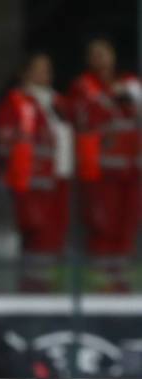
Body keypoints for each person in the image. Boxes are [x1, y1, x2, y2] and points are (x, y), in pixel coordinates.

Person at [0, 53, 73, 291]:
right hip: (31, 183)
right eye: (38, 68)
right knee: (37, 239)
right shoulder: (16, 101)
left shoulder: (59, 101)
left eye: (47, 69)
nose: (44, 74)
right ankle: (34, 291)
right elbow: (4, 142)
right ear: (25, 73)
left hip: (60, 179)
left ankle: (50, 289)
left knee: (56, 239)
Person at [68, 39, 142, 291]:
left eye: (105, 52)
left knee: (127, 228)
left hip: (131, 171)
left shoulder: (130, 82)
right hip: (101, 172)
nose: (101, 58)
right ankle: (102, 287)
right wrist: (115, 97)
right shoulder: (84, 86)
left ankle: (121, 284)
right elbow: (86, 115)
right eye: (95, 54)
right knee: (102, 228)